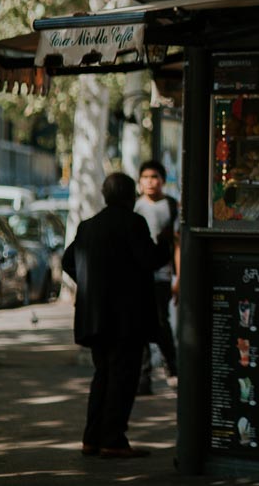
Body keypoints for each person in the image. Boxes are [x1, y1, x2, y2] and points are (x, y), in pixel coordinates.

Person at [62, 172, 172, 458]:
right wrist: (165, 243)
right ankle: (113, 439)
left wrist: (90, 285)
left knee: (103, 375)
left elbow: (67, 261)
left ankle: (91, 438)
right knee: (123, 378)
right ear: (128, 196)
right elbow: (150, 260)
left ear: (104, 194)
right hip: (126, 318)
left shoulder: (88, 226)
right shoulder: (134, 223)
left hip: (95, 317)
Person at [134, 160, 179, 393]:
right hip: (139, 276)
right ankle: (144, 377)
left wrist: (179, 278)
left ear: (162, 180)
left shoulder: (171, 206)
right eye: (145, 177)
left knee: (162, 323)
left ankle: (173, 369)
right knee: (140, 325)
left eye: (154, 177)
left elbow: (178, 243)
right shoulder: (135, 206)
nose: (150, 182)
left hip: (162, 275)